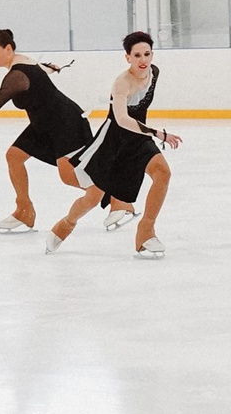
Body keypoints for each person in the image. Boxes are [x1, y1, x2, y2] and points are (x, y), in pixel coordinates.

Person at [0, 28, 102, 235]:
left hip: (64, 122)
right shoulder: (23, 61)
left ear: (8, 48)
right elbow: (40, 69)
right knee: (14, 156)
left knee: (69, 176)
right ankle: (24, 209)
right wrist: (52, 68)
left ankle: (115, 196)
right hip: (42, 124)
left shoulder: (16, 76)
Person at [46, 32, 180, 258]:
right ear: (127, 57)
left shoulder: (154, 73)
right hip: (114, 142)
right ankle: (66, 224)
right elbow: (122, 119)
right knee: (94, 195)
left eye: (147, 54)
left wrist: (149, 134)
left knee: (163, 173)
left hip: (137, 138)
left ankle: (145, 232)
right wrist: (158, 133)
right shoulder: (122, 83)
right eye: (136, 55)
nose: (143, 60)